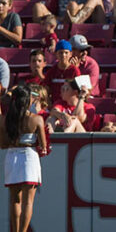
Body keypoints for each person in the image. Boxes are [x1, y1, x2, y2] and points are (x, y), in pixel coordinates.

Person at [3, 85, 47, 232]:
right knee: (28, 202)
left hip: (11, 155)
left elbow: (3, 144)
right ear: (28, 100)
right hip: (29, 156)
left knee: (14, 199)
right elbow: (43, 146)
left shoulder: (5, 120)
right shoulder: (36, 119)